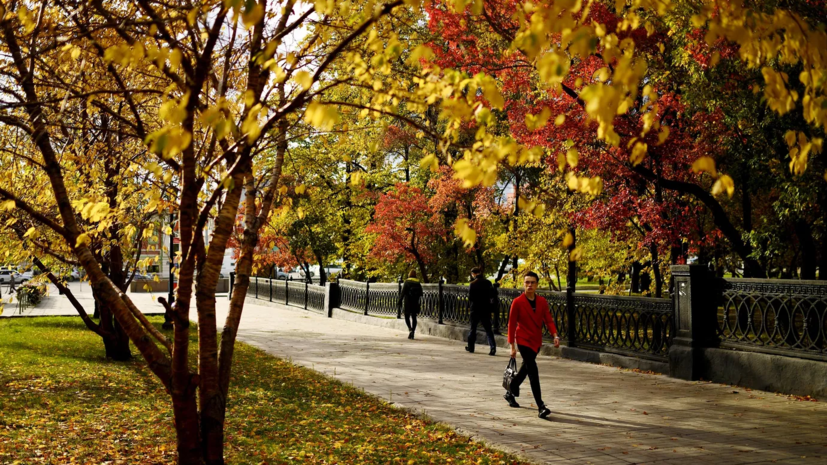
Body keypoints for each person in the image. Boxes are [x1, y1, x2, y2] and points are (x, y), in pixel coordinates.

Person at [504, 271, 560, 419]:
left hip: (536, 341)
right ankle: (541, 406)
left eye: (532, 282)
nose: (529, 285)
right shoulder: (517, 302)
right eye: (527, 282)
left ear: (537, 285)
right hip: (523, 339)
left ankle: (510, 390)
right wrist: (512, 346)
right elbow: (511, 325)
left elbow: (548, 320)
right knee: (533, 371)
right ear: (523, 284)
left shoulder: (542, 301)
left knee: (526, 369)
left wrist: (555, 335)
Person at [466, 266, 497, 356]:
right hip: (485, 309)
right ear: (480, 272)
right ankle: (492, 347)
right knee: (488, 329)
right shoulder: (488, 282)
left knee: (473, 328)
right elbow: (493, 294)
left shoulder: (472, 284)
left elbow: (470, 298)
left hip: (475, 309)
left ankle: (471, 347)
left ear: (473, 274)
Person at [398, 270, 423, 339]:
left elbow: (403, 292)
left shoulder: (407, 282)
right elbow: (421, 293)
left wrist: (400, 301)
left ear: (409, 274)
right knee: (414, 317)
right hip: (415, 302)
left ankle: (410, 329)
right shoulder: (418, 283)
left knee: (406, 316)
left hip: (408, 302)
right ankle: (413, 332)